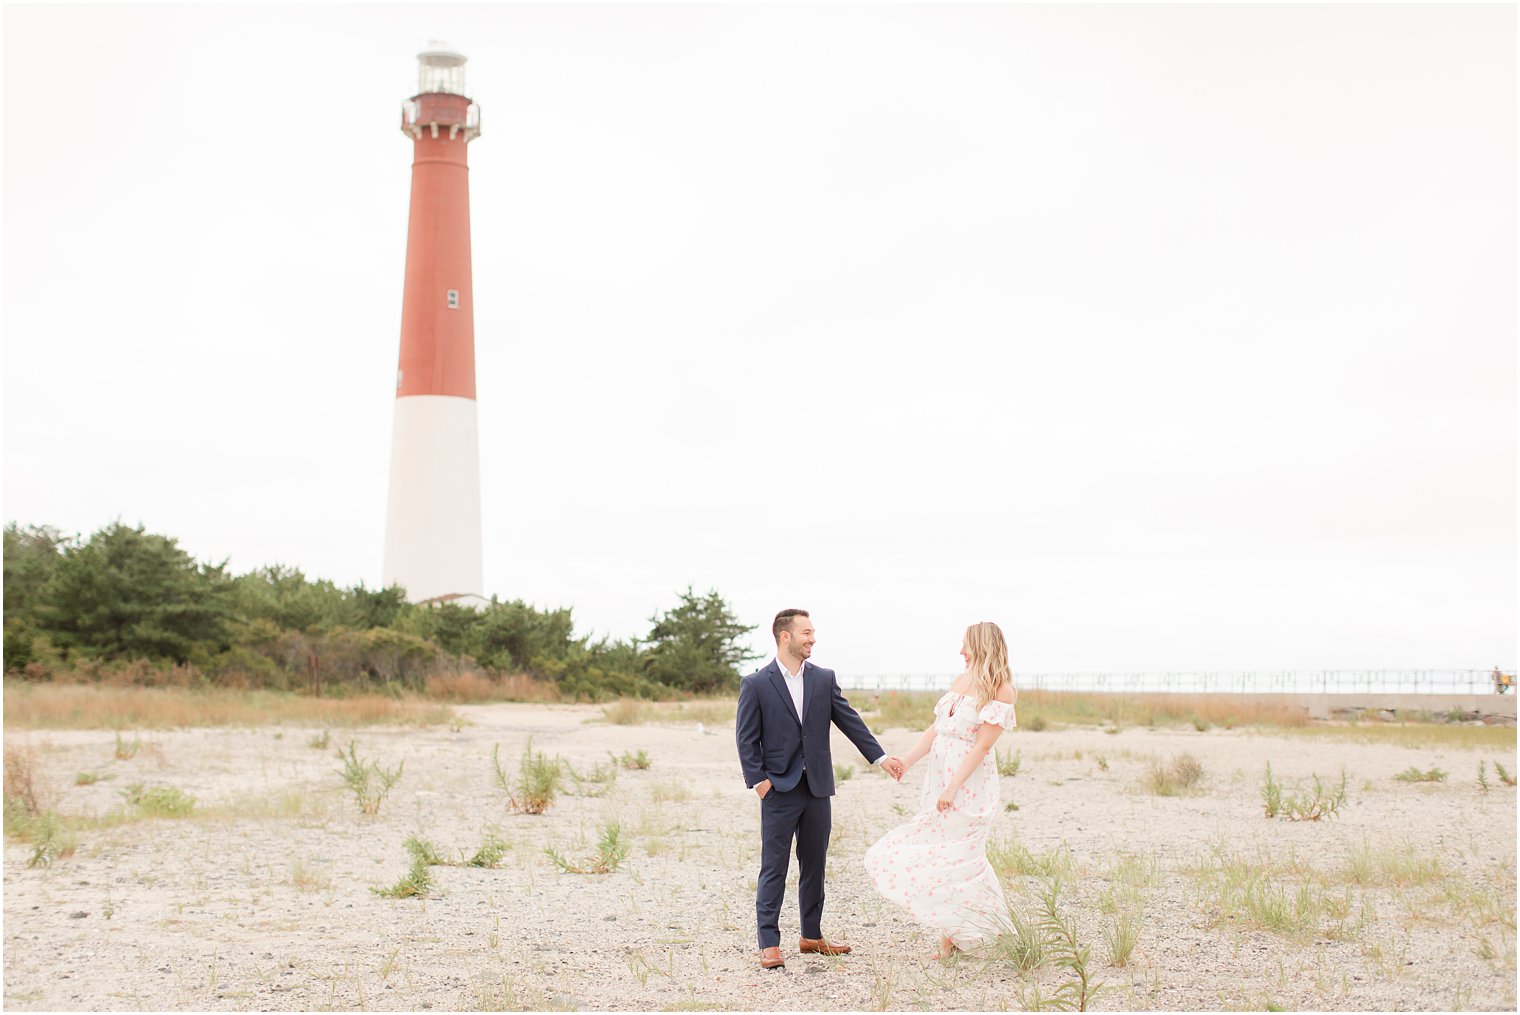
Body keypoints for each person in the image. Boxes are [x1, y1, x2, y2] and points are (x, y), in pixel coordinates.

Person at [735, 609, 905, 970]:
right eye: (806, 632)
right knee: (774, 867)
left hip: (817, 788)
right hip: (778, 789)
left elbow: (850, 721)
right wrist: (760, 783)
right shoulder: (756, 684)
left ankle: (811, 936)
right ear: (785, 636)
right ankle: (769, 942)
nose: (812, 638)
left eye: (813, 632)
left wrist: (881, 757)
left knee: (814, 864)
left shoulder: (824, 679)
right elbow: (746, 740)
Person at [863, 621, 1018, 959]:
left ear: (982, 647)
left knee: (963, 855)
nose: (961, 652)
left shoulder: (1001, 690)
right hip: (941, 775)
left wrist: (952, 787)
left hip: (968, 782)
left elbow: (981, 748)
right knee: (943, 850)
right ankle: (952, 933)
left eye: (966, 645)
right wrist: (908, 760)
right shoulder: (961, 681)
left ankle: (976, 934)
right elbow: (937, 729)